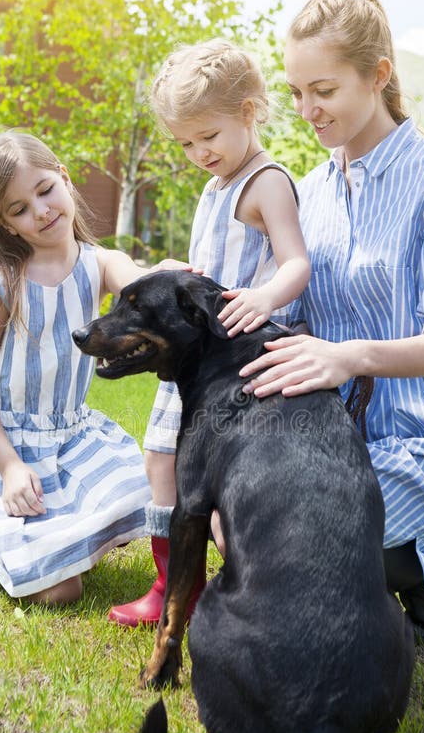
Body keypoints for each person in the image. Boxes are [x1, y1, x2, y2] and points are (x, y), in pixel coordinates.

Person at [238, 0, 424, 639]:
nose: (305, 111)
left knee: (301, 555)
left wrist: (344, 357)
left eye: (321, 90)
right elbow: (287, 306)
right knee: (248, 527)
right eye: (295, 93)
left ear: (378, 75)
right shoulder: (311, 190)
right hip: (334, 440)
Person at [108, 39, 312, 626]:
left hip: (239, 359)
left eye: (208, 136)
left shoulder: (266, 183)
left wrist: (264, 295)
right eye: (186, 143)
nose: (199, 152)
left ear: (248, 112)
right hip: (197, 356)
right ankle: (172, 581)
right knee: (160, 458)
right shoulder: (215, 184)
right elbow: (213, 259)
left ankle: (232, 584)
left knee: (211, 473)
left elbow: (296, 262)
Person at [0, 130, 157, 605]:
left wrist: (171, 275)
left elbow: (142, 286)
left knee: (147, 495)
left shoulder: (99, 263)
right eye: (18, 209)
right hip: (8, 447)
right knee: (60, 592)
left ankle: (60, 531)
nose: (40, 211)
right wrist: (11, 467)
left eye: (44, 191)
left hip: (72, 438)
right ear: (6, 225)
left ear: (64, 178)